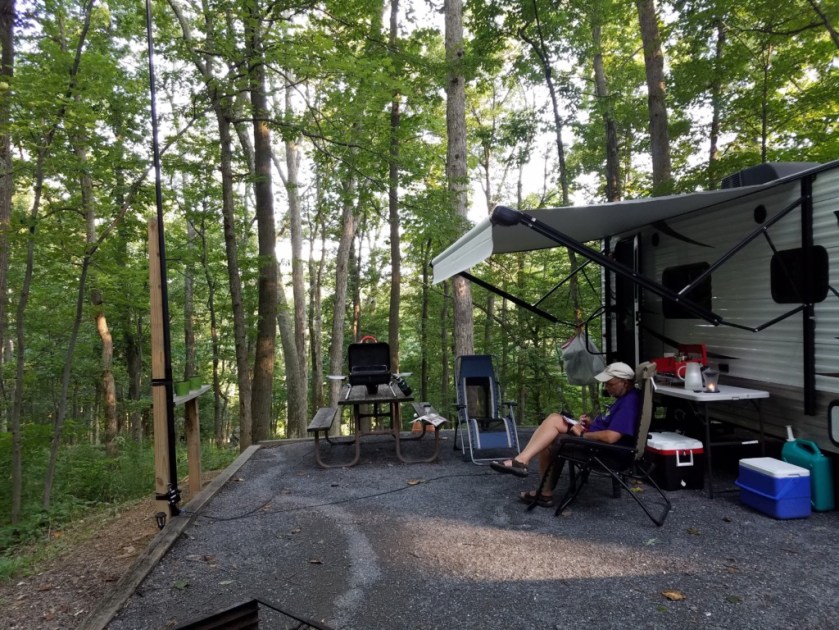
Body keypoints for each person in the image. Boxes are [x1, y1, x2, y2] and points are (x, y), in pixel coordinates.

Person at [489, 361, 641, 507]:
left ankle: (525, 467)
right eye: (605, 383)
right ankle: (534, 479)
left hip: (604, 452)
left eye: (610, 383)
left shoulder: (629, 403)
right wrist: (590, 424)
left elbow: (611, 437)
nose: (607, 387)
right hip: (596, 443)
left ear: (625, 382)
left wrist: (582, 435)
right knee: (551, 427)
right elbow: (611, 425)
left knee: (553, 425)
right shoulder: (624, 398)